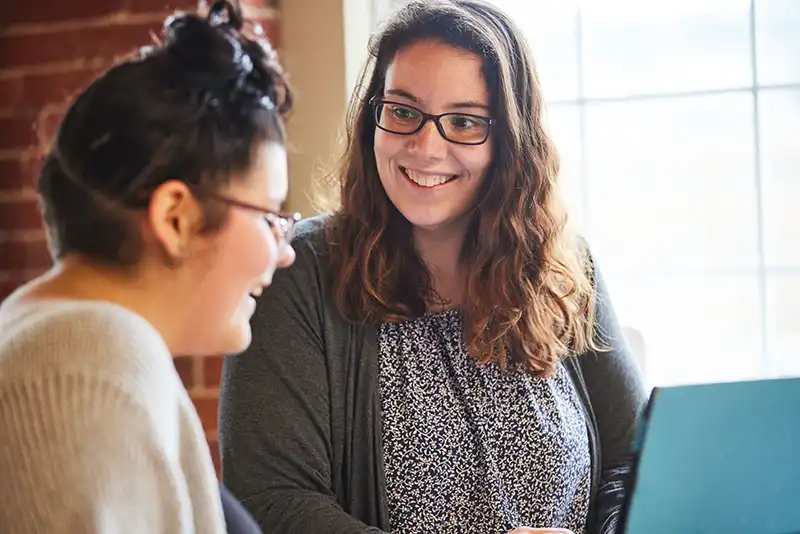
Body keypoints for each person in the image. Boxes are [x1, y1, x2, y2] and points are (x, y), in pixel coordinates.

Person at [218, 1, 646, 533]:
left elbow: (635, 465)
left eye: (464, 122)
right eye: (402, 111)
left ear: (511, 141)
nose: (425, 146)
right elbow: (272, 503)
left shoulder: (566, 267)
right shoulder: (295, 272)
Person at [0, 2, 296, 533]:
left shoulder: (46, 330)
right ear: (176, 218)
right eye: (270, 217)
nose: (285, 249)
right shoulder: (88, 364)